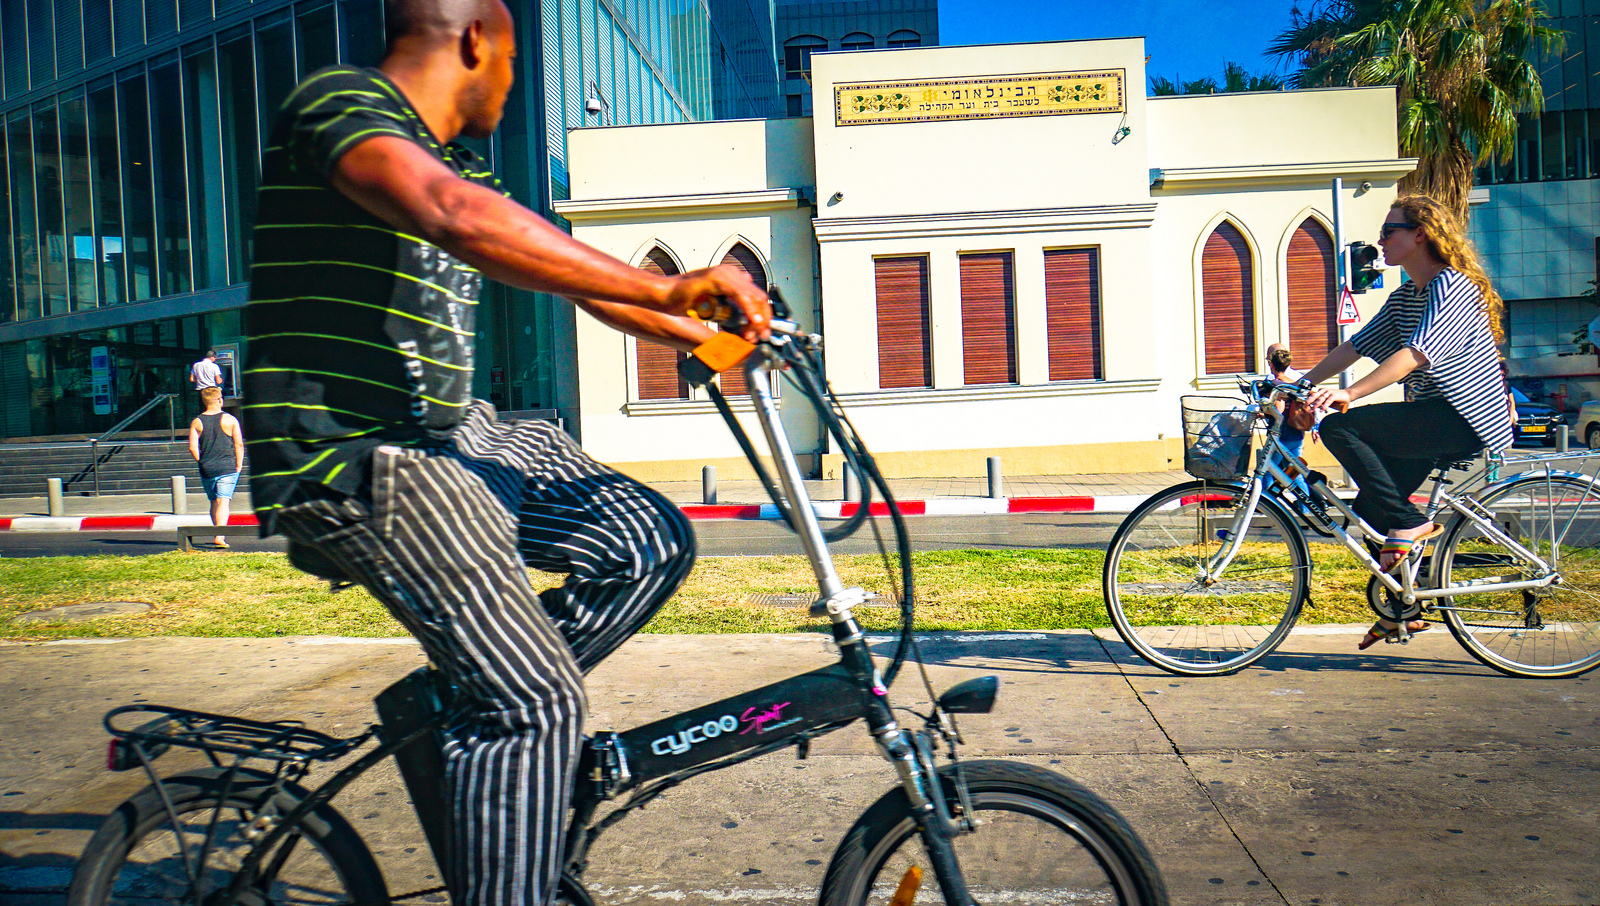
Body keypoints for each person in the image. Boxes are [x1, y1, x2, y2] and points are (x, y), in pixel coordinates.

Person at [240, 2, 771, 905]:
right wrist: (668, 280)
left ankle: (475, 706)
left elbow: (563, 265)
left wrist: (703, 324)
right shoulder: (338, 106)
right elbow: (451, 215)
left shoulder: (458, 161)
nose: (514, 80)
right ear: (479, 39)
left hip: (453, 432)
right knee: (537, 705)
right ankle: (509, 721)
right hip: (362, 458)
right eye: (517, 58)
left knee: (647, 540)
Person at [1300, 195, 1512, 650]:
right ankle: (1406, 610)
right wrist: (1301, 381)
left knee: (1342, 428)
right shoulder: (1407, 296)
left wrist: (1349, 393)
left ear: (1420, 234)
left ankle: (1412, 526)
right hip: (1433, 416)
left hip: (1461, 417)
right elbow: (1357, 345)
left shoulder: (1450, 286)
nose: (1380, 241)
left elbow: (1415, 355)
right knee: (1375, 512)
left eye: (1388, 231)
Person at [188, 387, 245, 548]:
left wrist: (202, 461)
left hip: (207, 467)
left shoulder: (197, 421)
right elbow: (238, 444)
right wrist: (239, 465)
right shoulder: (231, 420)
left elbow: (193, 447)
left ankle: (217, 531)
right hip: (227, 466)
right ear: (220, 400)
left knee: (214, 501)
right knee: (223, 501)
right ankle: (219, 536)